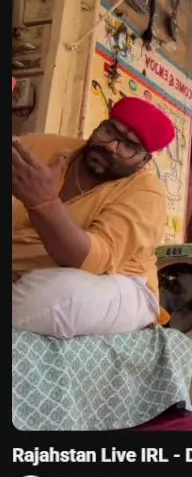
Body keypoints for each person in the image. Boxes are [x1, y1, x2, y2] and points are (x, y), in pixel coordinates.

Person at [12, 96, 175, 339]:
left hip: (116, 283)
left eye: (129, 146)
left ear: (144, 160)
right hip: (25, 271)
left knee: (54, 296)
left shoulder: (147, 192)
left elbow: (93, 261)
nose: (111, 146)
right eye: (109, 131)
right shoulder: (43, 148)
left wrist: (44, 203)